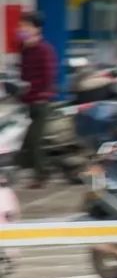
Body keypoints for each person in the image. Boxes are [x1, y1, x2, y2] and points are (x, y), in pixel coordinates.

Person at [16, 11, 57, 189]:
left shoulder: (44, 49)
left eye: (25, 26)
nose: (21, 29)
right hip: (26, 102)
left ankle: (42, 174)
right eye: (21, 26)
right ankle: (25, 170)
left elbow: (48, 77)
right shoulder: (25, 49)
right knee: (24, 141)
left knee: (34, 140)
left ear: (36, 28)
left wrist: (33, 89)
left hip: (40, 102)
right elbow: (23, 73)